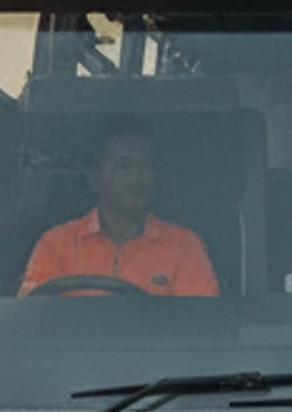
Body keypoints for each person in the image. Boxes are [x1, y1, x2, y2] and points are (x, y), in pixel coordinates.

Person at [19, 122, 219, 297]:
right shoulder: (56, 244)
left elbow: (201, 328)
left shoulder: (184, 245)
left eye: (146, 167)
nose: (137, 178)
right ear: (95, 179)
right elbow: (32, 323)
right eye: (124, 168)